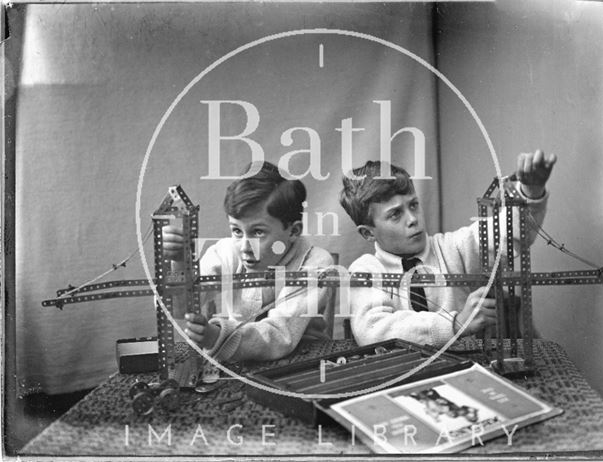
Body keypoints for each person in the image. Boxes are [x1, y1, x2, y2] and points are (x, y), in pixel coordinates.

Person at [339, 150, 556, 347]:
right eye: (396, 214)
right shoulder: (365, 270)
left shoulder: (454, 247)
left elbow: (509, 232)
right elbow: (373, 330)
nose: (413, 219)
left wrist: (531, 192)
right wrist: (456, 323)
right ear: (368, 233)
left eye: (413, 205)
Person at [162, 161, 334, 362]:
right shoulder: (226, 252)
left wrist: (218, 337)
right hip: (242, 360)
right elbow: (178, 309)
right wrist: (180, 264)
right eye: (237, 230)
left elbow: (280, 336)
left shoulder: (316, 263)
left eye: (258, 232)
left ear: (293, 231)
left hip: (304, 362)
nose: (245, 246)